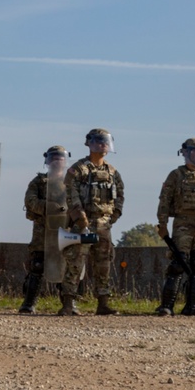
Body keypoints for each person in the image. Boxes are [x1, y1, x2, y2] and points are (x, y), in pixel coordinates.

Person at [60, 128, 125, 316]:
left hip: (103, 226)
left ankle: (103, 303)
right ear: (89, 143)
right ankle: (68, 303)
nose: (103, 145)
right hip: (83, 225)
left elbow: (119, 196)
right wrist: (80, 218)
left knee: (103, 263)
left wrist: (112, 217)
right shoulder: (79, 169)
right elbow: (71, 195)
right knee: (76, 262)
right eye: (98, 141)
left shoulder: (112, 172)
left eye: (105, 141)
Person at [155, 138, 195, 316]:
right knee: (178, 264)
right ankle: (167, 306)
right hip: (183, 223)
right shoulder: (176, 175)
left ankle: (192, 306)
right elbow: (164, 200)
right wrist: (162, 223)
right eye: (193, 152)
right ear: (185, 153)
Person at [19, 145, 70, 314]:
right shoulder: (39, 182)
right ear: (48, 160)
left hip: (66, 230)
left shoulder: (72, 182)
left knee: (66, 266)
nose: (57, 161)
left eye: (60, 158)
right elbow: (30, 202)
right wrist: (50, 207)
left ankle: (68, 304)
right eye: (53, 157)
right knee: (37, 265)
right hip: (43, 230)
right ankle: (28, 304)